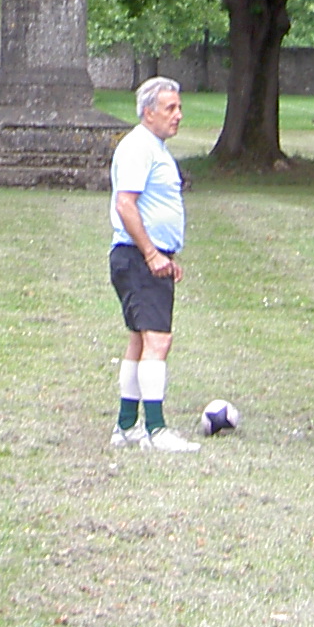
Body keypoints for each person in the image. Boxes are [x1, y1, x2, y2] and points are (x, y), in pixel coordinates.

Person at [108, 75, 198, 453]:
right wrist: (151, 253)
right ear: (148, 113)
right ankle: (156, 430)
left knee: (140, 339)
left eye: (179, 107)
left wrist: (166, 253)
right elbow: (125, 204)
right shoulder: (139, 147)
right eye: (170, 108)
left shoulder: (153, 147)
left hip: (146, 256)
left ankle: (127, 425)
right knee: (158, 339)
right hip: (137, 256)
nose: (178, 115)